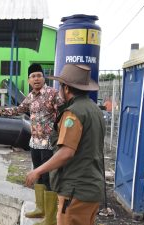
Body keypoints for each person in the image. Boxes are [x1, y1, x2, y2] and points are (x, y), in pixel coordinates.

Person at [25, 64, 106, 225]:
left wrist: (37, 171)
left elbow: (66, 152)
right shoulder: (94, 109)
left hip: (76, 190)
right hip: (93, 188)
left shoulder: (73, 113)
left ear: (66, 88)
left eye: (61, 85)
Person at [0, 63, 63, 220]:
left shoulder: (52, 94)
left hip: (49, 143)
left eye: (39, 76)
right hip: (34, 142)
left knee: (48, 177)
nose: (36, 79)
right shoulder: (30, 97)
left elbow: (63, 113)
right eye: (33, 76)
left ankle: (50, 218)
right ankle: (40, 208)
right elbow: (17, 109)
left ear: (43, 77)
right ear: (28, 80)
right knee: (38, 176)